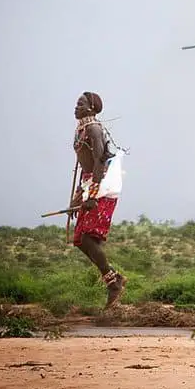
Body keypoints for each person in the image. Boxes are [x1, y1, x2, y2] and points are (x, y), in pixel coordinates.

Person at [70, 92, 125, 309]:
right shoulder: (82, 129)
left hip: (102, 186)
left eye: (80, 104)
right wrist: (78, 194)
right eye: (76, 104)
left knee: (86, 237)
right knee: (79, 238)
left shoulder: (94, 129)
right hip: (90, 183)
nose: (76, 107)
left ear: (91, 108)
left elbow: (99, 161)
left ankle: (113, 282)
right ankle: (113, 280)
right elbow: (84, 167)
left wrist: (92, 195)